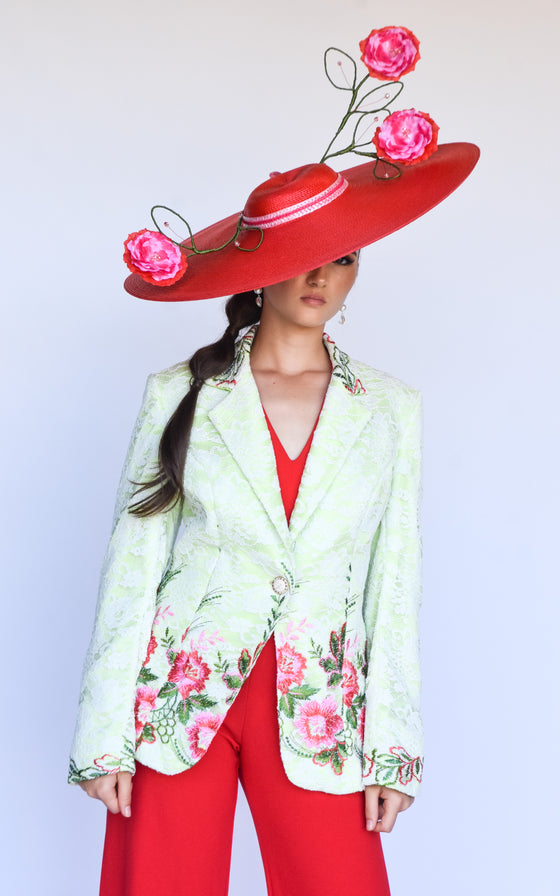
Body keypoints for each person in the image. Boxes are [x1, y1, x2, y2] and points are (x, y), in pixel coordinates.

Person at [68, 36, 479, 892]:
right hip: (179, 700)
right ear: (262, 272)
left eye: (343, 257)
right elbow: (132, 563)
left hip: (321, 704)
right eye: (304, 257)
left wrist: (393, 747)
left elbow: (393, 581)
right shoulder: (180, 392)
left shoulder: (390, 409)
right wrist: (102, 735)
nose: (322, 276)